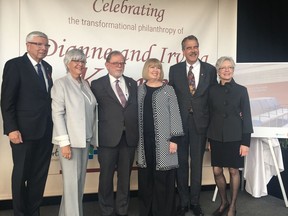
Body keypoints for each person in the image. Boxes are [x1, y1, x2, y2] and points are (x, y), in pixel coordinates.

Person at [0, 31, 53, 216]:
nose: (43, 48)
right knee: (21, 174)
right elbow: (7, 100)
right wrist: (11, 128)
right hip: (22, 132)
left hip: (46, 131)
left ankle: (33, 212)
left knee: (39, 176)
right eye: (39, 44)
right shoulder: (15, 65)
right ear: (28, 45)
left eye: (46, 45)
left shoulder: (47, 67)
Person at [169, 35, 217, 216]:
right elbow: (171, 100)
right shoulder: (174, 70)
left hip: (200, 124)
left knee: (196, 164)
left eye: (195, 47)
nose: (193, 50)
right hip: (180, 124)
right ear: (183, 51)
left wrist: (212, 132)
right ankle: (183, 202)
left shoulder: (210, 70)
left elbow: (213, 101)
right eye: (189, 47)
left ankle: (195, 203)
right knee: (181, 164)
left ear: (199, 48)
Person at [91, 50, 138, 216]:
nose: (119, 66)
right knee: (106, 177)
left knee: (125, 177)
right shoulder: (96, 84)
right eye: (116, 63)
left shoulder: (133, 83)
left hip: (129, 138)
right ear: (107, 65)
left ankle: (122, 209)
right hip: (107, 138)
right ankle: (107, 210)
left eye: (122, 63)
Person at [51, 48, 98, 216]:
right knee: (71, 184)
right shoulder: (61, 83)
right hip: (70, 142)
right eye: (76, 61)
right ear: (67, 64)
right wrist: (64, 143)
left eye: (83, 61)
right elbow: (57, 114)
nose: (80, 64)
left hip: (84, 140)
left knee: (78, 183)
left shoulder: (84, 84)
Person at [137, 58, 184, 216]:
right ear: (146, 70)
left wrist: (174, 139)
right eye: (152, 67)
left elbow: (175, 114)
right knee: (146, 177)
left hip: (164, 141)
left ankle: (163, 211)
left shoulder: (168, 90)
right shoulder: (139, 90)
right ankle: (147, 211)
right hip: (143, 142)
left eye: (158, 68)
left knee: (163, 178)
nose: (155, 70)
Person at [207, 56, 253, 216]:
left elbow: (247, 117)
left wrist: (245, 142)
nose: (226, 70)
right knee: (217, 171)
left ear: (233, 70)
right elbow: (209, 115)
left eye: (230, 67)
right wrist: (209, 139)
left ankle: (232, 206)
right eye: (223, 68)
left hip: (235, 137)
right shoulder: (211, 90)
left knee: (234, 171)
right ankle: (223, 201)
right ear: (218, 71)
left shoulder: (241, 90)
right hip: (216, 136)